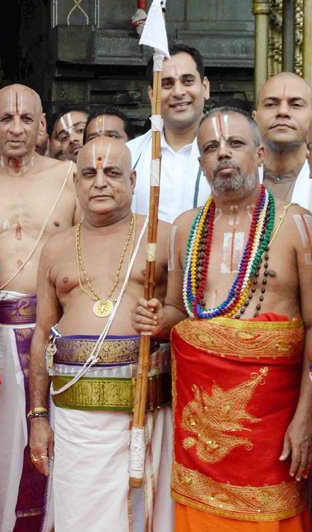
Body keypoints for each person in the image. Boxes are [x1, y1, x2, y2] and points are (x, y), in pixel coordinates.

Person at [132, 107, 312, 531]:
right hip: (200, 429)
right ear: (201, 163)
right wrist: (159, 319)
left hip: (273, 426)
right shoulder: (183, 229)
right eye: (211, 147)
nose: (223, 154)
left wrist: (306, 418)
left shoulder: (298, 227)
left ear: (261, 154)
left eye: (235, 144)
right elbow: (180, 311)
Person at [28, 137, 173, 531]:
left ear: (133, 179)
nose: (100, 183)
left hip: (145, 412)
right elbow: (42, 334)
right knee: (80, 517)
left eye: (112, 173)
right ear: (76, 180)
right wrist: (39, 416)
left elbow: (183, 315)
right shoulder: (56, 248)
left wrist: (163, 318)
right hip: (75, 419)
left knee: (146, 515)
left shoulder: (162, 236)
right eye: (90, 174)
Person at [0, 83, 77, 531]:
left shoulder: (70, 177)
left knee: (61, 455)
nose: (16, 129)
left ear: (41, 127)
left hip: (58, 336)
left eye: (26, 120)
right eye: (6, 119)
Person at [127, 44, 212, 222]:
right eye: (167, 84)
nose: (178, 92)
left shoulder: (233, 154)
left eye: (187, 81)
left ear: (204, 87)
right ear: (152, 94)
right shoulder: (130, 155)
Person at [253, 72, 312, 206]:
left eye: (296, 105)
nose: (283, 111)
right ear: (255, 118)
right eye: (271, 104)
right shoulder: (236, 176)